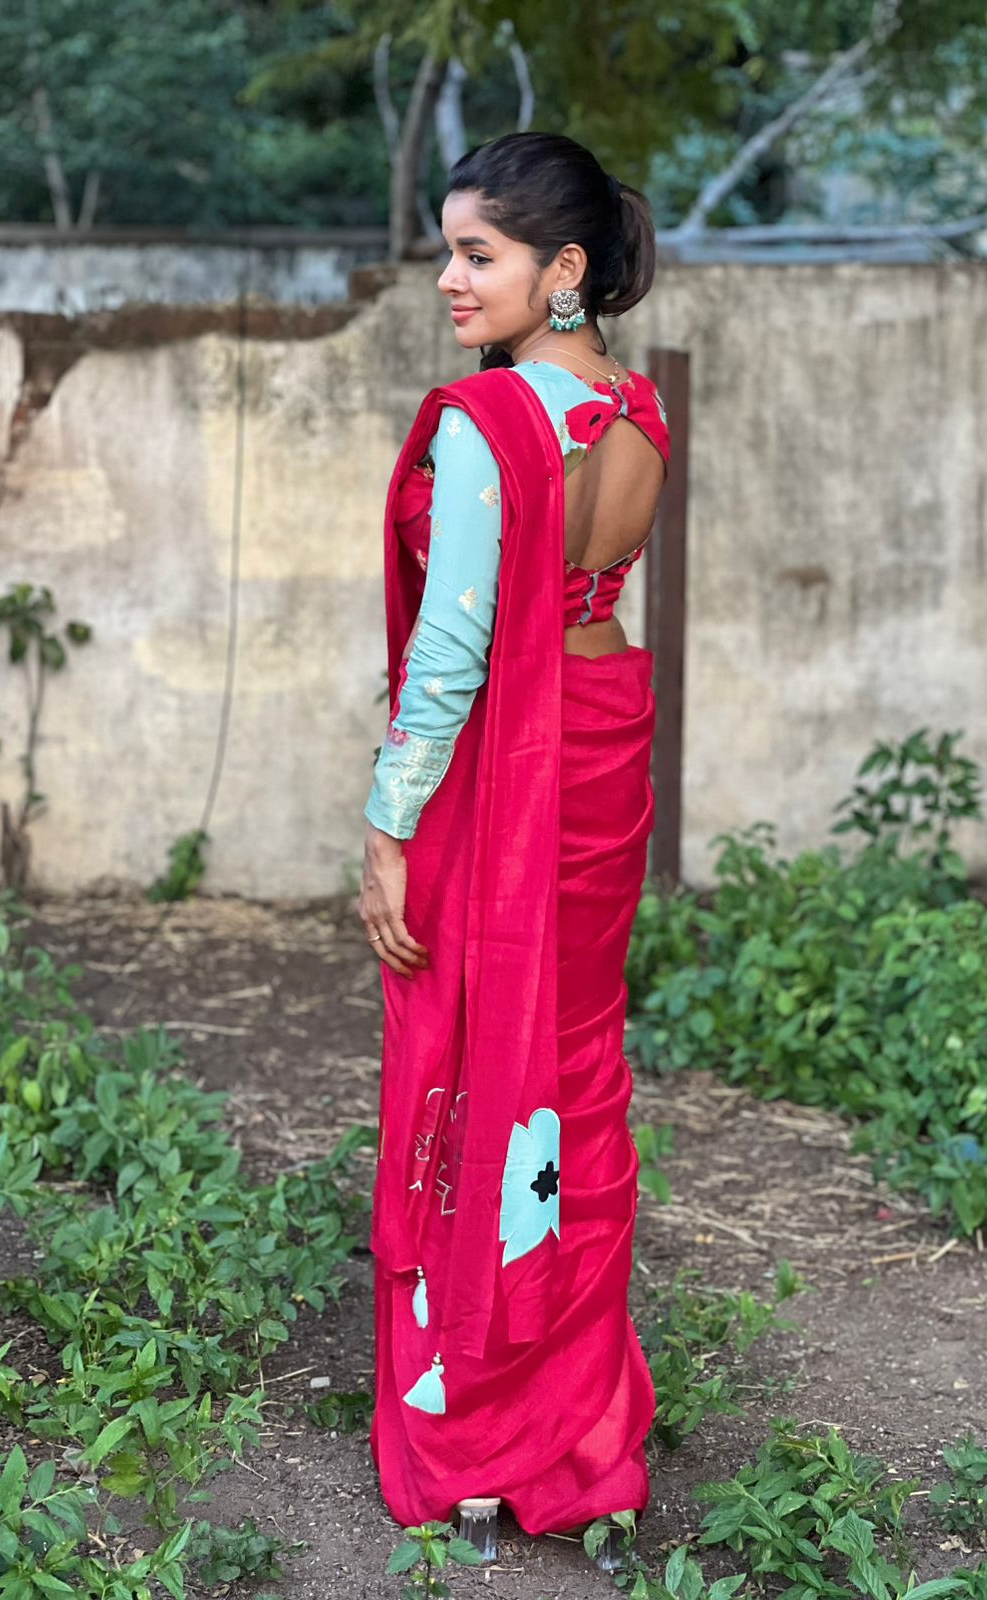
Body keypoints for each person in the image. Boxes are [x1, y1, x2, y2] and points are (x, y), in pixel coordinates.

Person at [356, 130, 670, 1561]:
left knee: (483, 1071)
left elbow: (452, 657)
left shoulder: (489, 428)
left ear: (566, 270)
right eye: (447, 250)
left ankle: (478, 1434)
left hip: (511, 780)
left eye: (476, 253)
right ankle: (585, 1433)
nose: (448, 279)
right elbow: (589, 599)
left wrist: (384, 831)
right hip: (605, 751)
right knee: (575, 1073)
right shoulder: (638, 414)